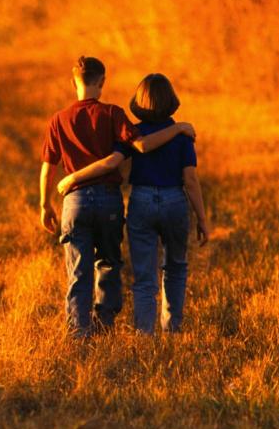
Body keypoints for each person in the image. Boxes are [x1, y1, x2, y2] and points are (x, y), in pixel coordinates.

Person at [40, 58, 196, 339]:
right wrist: (179, 127)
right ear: (102, 82)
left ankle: (79, 333)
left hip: (75, 202)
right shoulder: (113, 114)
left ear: (73, 83)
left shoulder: (58, 119)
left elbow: (48, 167)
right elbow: (139, 147)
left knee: (78, 271)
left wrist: (45, 203)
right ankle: (105, 324)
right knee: (109, 263)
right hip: (109, 200)